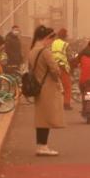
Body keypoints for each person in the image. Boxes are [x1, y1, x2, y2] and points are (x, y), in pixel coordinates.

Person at [28, 25, 63, 156]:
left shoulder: (32, 50)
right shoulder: (45, 52)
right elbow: (55, 70)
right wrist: (58, 72)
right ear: (47, 38)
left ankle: (41, 145)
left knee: (41, 118)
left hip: (38, 87)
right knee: (45, 119)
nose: (52, 42)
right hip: (47, 87)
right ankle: (43, 146)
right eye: (51, 40)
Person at [51, 28, 72, 110]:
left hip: (53, 66)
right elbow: (69, 56)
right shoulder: (65, 44)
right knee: (67, 86)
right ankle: (66, 104)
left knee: (55, 86)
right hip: (62, 66)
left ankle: (53, 104)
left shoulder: (53, 43)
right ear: (65, 36)